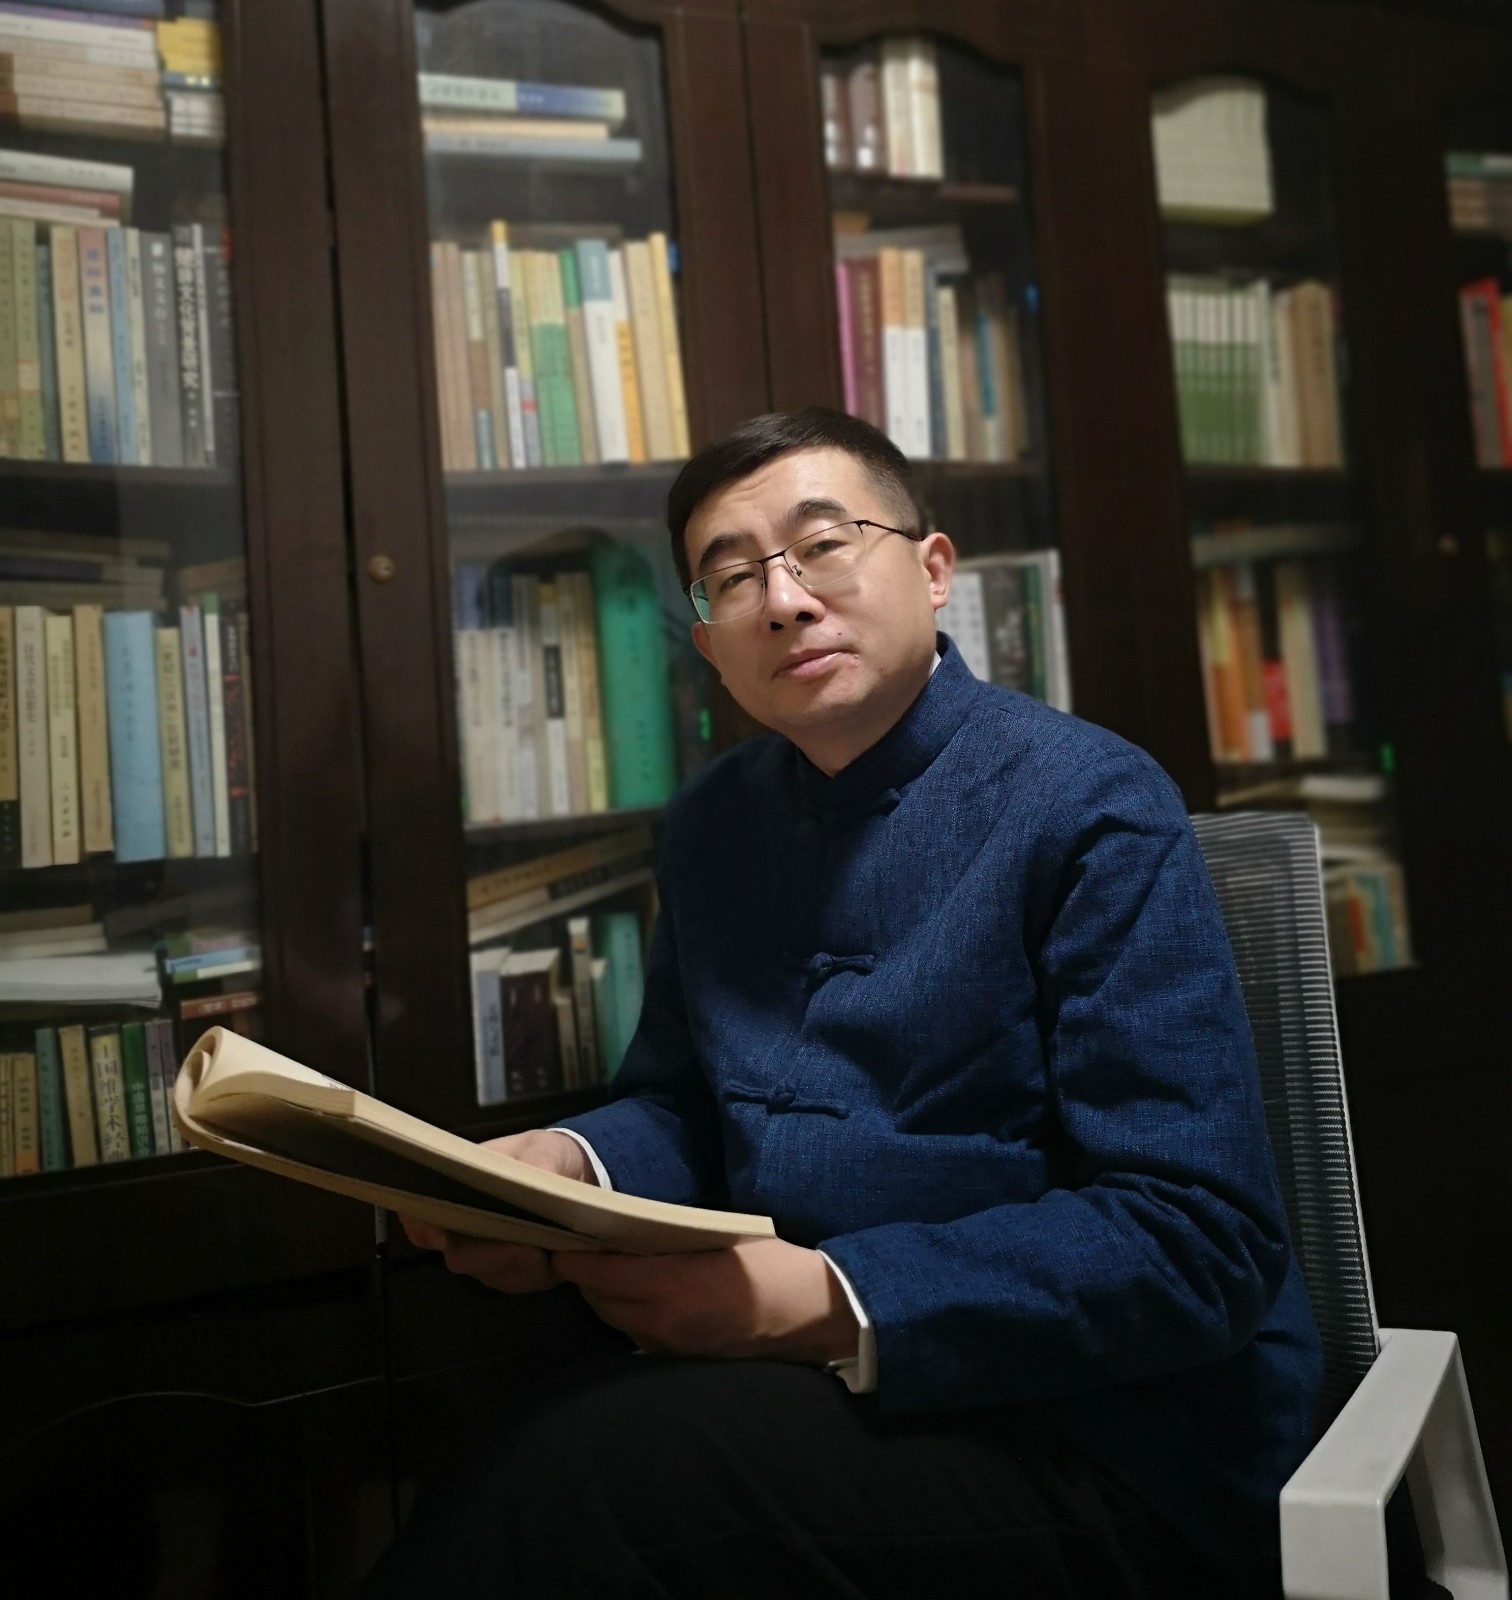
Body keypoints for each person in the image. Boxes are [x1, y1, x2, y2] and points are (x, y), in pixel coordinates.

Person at [363, 408, 1323, 1600]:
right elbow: (684, 1104)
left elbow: (1195, 1241)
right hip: (825, 1382)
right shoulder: (714, 823)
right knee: (483, 1353)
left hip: (1102, 1431)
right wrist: (565, 1166)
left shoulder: (1091, 803)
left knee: (594, 1481)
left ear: (934, 569)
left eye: (823, 545)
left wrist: (826, 1300)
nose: (783, 599)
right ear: (710, 645)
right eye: (732, 578)